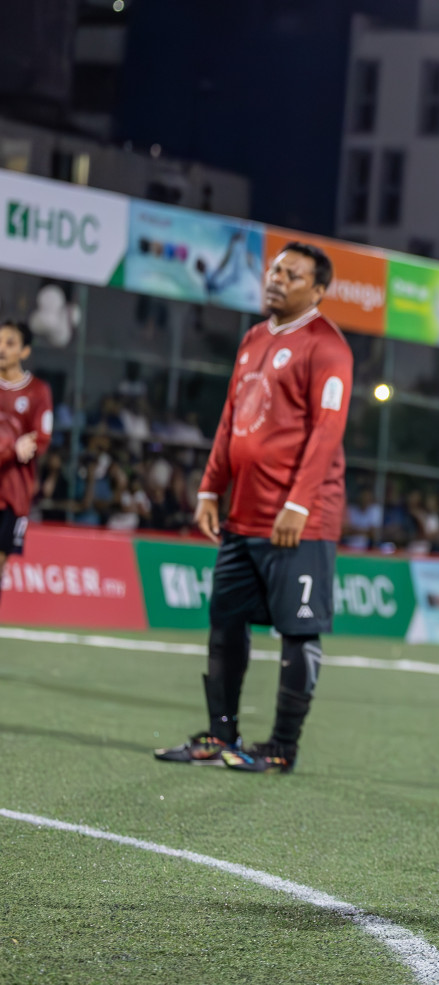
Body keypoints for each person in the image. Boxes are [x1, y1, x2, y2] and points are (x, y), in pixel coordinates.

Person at [153, 242, 352, 774]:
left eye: (292, 274)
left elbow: (327, 430)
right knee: (225, 622)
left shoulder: (328, 347)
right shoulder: (252, 339)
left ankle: (281, 747)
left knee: (298, 630)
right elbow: (231, 419)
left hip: (299, 522)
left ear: (318, 290)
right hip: (243, 514)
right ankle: (221, 737)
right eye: (274, 269)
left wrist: (298, 504)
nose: (277, 278)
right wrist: (208, 488)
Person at [0, 320, 54, 608]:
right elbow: (15, 446)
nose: (1, 348)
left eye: (10, 343)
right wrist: (12, 447)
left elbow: (41, 439)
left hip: (13, 495)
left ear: (24, 351)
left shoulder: (38, 391)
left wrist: (25, 446)